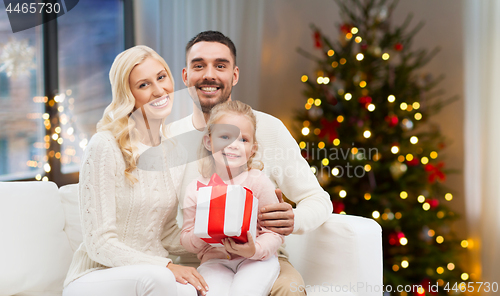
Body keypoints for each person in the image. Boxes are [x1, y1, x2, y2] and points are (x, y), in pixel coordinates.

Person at [167, 31, 333, 295]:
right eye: (199, 65)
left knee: (289, 290)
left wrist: (293, 219)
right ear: (186, 76)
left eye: (220, 65)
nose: (209, 74)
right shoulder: (168, 139)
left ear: (234, 75)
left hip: (261, 256)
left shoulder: (269, 129)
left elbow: (319, 200)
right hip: (193, 261)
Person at [62, 45, 208, 296]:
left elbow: (167, 233)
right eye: (144, 85)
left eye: (161, 78)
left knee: (194, 289)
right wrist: (166, 266)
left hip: (150, 273)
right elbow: (99, 244)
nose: (159, 90)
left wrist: (215, 240)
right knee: (160, 278)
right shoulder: (105, 145)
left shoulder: (175, 152)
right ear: (127, 94)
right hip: (95, 275)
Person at [181, 100, 284, 296]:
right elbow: (185, 237)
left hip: (255, 259)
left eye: (243, 140)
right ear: (209, 142)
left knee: (245, 291)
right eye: (225, 136)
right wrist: (203, 229)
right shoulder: (196, 189)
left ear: (252, 149)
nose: (234, 145)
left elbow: (275, 233)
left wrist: (255, 250)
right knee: (211, 292)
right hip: (214, 261)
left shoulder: (258, 182)